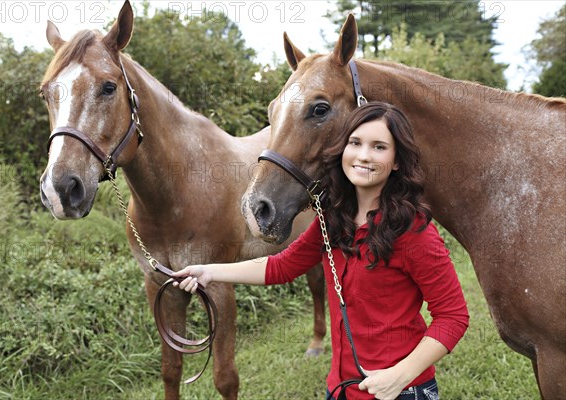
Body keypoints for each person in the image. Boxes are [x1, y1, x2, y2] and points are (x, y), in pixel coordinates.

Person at [173, 102, 469, 400]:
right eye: (356, 143)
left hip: (401, 391)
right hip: (340, 388)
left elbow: (453, 316)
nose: (364, 155)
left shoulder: (412, 231)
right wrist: (209, 271)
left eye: (379, 147)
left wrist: (398, 376)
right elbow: (281, 266)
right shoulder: (333, 218)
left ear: (396, 161)